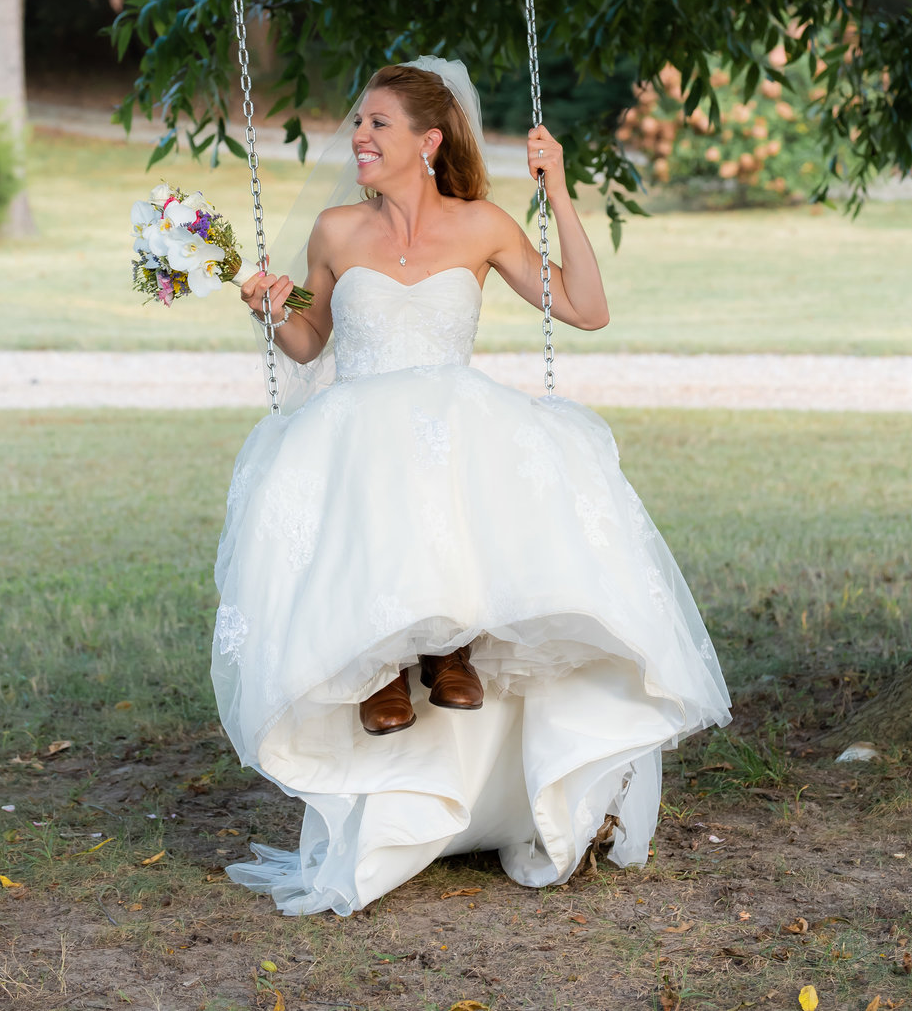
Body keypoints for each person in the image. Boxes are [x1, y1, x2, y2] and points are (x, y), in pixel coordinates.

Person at [214, 57, 730, 916]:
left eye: (380, 124)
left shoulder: (484, 224)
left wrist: (557, 189)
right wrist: (270, 308)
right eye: (360, 123)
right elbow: (309, 344)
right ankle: (384, 664)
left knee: (453, 465)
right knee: (368, 463)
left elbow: (585, 309)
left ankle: (448, 647)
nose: (361, 138)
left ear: (429, 140)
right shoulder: (338, 232)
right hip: (359, 421)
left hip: (455, 414)